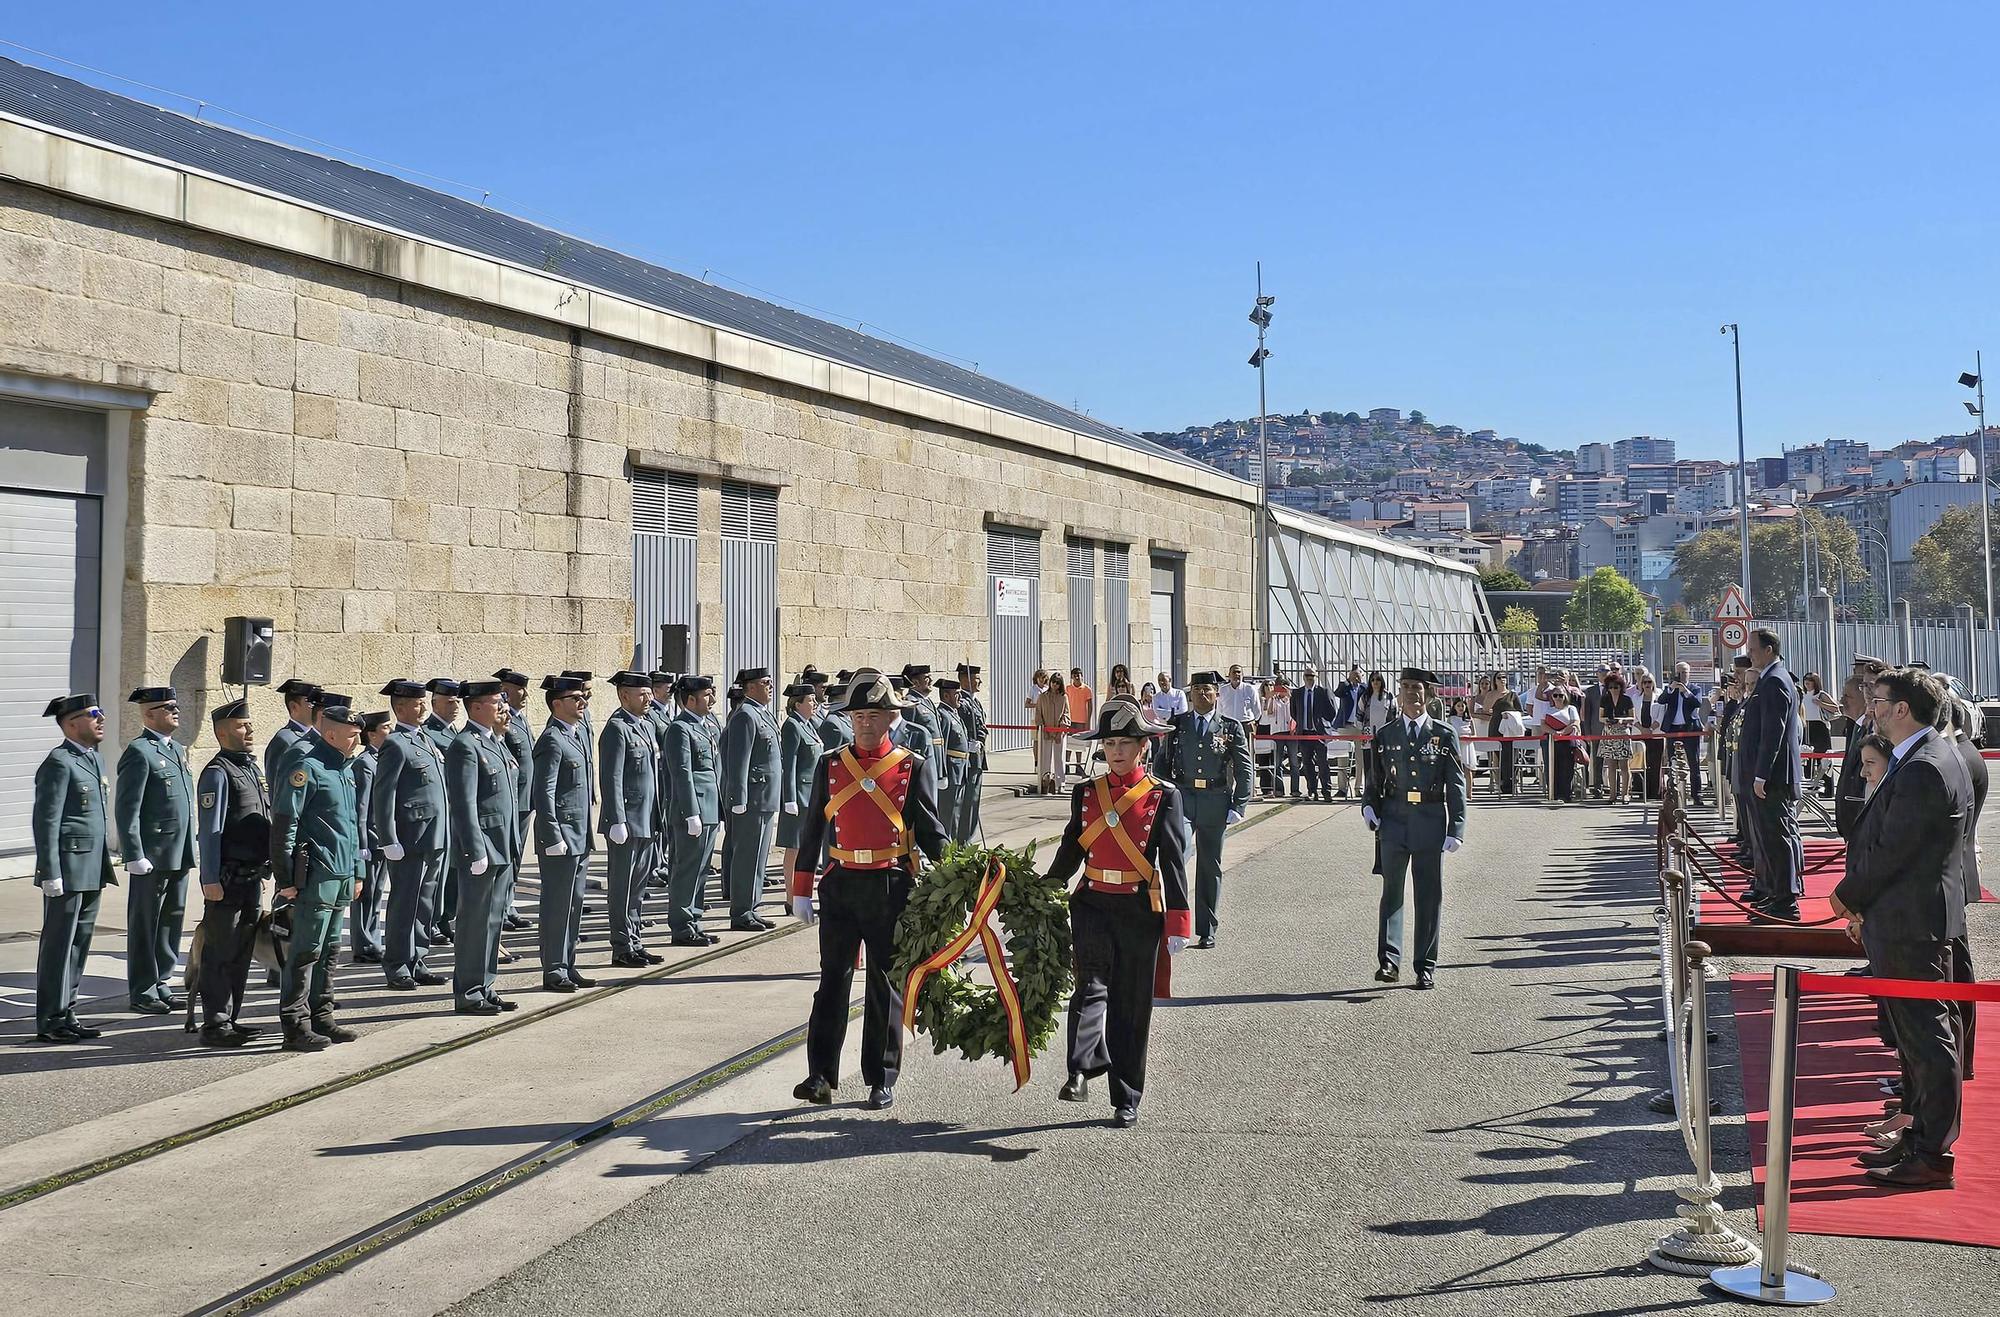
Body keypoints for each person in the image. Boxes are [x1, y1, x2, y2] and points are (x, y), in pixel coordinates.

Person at [1829, 669, 1972, 1189]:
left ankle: (1933, 1153)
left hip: (1911, 921)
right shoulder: (1923, 755)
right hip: (1903, 915)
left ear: (1903, 709)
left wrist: (1849, 895)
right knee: (1913, 1040)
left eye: (1881, 700)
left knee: (1927, 1038)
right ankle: (1918, 1137)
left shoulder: (1925, 765)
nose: (1873, 707)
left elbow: (1896, 850)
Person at [790, 670, 947, 1110]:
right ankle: (820, 1075)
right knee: (832, 982)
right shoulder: (831, 763)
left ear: (891, 717)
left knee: (884, 986)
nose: (865, 723)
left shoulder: (912, 766)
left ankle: (881, 1076)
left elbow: (931, 830)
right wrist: (802, 885)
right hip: (840, 883)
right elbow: (813, 828)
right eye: (858, 715)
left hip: (890, 884)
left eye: (874, 715)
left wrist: (959, 871)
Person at [1045, 702, 1192, 1127]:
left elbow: (1174, 861)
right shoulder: (1087, 792)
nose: (1116, 751)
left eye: (1125, 743)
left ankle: (1126, 1094)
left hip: (1137, 908)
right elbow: (1071, 849)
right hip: (1092, 901)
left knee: (1130, 1004)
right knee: (1090, 985)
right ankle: (1081, 1068)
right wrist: (1043, 888)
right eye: (1109, 743)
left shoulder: (1163, 795)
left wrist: (1178, 920)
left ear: (1142, 747)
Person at [1362, 668, 1468, 990]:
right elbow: (1375, 779)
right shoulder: (1387, 734)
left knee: (1428, 895)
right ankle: (1389, 961)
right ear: (1400, 691)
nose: (1412, 693)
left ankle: (1425, 964)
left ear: (1429, 693)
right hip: (1394, 820)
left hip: (1429, 819)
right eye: (1406, 686)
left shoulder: (1444, 734)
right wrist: (1368, 806)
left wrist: (1456, 827)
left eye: (1418, 687)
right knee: (1391, 893)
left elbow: (1456, 784)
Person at [270, 701, 366, 1052]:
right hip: (316, 875)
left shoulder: (345, 769)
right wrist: (285, 878)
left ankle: (322, 1016)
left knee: (330, 950)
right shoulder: (306, 768)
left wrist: (358, 871)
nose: (357, 739)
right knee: (306, 950)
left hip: (340, 874)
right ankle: (294, 1025)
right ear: (330, 733)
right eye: (352, 734)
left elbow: (352, 828)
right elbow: (285, 825)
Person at [31, 694, 114, 1044]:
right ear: (71, 724)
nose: (101, 719)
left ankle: (68, 1011)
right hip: (66, 868)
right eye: (93, 715)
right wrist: (50, 871)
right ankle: (50, 1018)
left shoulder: (92, 759)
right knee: (59, 945)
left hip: (91, 866)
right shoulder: (59, 762)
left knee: (79, 944)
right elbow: (46, 821)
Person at [115, 685, 199, 1014]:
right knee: (145, 924)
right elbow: (127, 808)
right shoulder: (139, 751)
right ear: (149, 714)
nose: (175, 711)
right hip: (152, 854)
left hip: (178, 852)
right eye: (168, 707)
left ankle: (162, 981)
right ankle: (142, 990)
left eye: (176, 705)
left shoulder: (176, 749)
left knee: (171, 921)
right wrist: (134, 853)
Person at [192, 699, 269, 1046]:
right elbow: (211, 831)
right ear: (223, 732)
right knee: (220, 953)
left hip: (252, 877)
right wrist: (209, 878)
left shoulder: (250, 769)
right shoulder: (217, 773)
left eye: (250, 724)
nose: (250, 730)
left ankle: (231, 1017)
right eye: (242, 725)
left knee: (240, 952)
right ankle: (214, 1023)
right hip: (227, 879)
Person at [1158, 670, 1253, 950]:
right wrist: (1162, 798)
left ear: (1217, 694)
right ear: (1190, 694)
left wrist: (1239, 803)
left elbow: (1244, 768)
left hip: (1215, 799)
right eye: (1197, 689)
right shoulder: (1178, 724)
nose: (1202, 694)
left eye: (1207, 689)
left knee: (1210, 866)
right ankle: (1177, 924)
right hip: (1183, 798)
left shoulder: (1230, 727)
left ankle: (1207, 928)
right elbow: (1163, 764)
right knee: (1177, 855)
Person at [445, 679, 523, 1014]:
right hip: (483, 849)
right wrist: (474, 849)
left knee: (492, 922)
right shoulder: (465, 745)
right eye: (495, 702)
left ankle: (486, 984)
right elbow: (463, 804)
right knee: (474, 923)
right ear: (475, 707)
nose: (502, 708)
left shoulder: (494, 742)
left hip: (502, 846)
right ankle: (468, 991)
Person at [371, 680, 449, 991]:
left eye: (423, 703)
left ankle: (418, 958)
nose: (423, 708)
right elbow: (384, 794)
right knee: (405, 903)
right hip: (409, 837)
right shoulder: (395, 743)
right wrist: (388, 838)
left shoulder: (425, 740)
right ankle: (397, 964)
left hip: (433, 835)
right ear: (400, 707)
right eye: (416, 704)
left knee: (425, 902)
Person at [533, 675, 597, 989]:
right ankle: (554, 968)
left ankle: (568, 962)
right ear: (557, 704)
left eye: (582, 697)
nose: (582, 702)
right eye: (575, 698)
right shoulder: (552, 739)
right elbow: (543, 792)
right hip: (561, 836)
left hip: (579, 835)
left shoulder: (575, 735)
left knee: (574, 902)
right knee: (557, 904)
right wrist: (551, 834)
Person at [1739, 629, 1805, 921]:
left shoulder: (1776, 681)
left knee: (1777, 837)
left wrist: (1761, 774)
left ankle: (1784, 901)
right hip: (1767, 775)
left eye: (1753, 649)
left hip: (1773, 777)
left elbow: (1772, 732)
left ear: (1768, 650)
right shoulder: (1770, 678)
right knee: (1769, 838)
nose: (1750, 655)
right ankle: (1774, 893)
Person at [600, 671, 663, 966]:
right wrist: (616, 819)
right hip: (627, 820)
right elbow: (611, 778)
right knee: (622, 887)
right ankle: (621, 945)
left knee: (638, 887)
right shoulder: (617, 728)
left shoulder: (646, 727)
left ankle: (635, 939)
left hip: (647, 817)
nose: (648, 698)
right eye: (642, 694)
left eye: (649, 693)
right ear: (624, 696)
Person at [721, 667, 782, 931]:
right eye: (765, 682)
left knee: (758, 857)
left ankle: (752, 907)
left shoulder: (761, 714)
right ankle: (741, 912)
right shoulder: (745, 715)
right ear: (751, 686)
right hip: (752, 799)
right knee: (747, 856)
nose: (770, 686)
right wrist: (738, 797)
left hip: (765, 797)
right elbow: (738, 761)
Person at [422, 678, 464, 942]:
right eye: (449, 701)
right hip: (444, 810)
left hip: (458, 810)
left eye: (458, 701)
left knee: (455, 871)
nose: (455, 706)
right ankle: (434, 921)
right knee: (440, 870)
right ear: (434, 703)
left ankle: (447, 916)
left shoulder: (455, 732)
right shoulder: (429, 734)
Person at [348, 711, 391, 964]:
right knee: (366, 894)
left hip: (382, 839)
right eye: (386, 727)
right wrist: (362, 844)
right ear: (372, 734)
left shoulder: (382, 760)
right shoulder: (365, 763)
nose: (391, 731)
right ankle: (363, 943)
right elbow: (361, 808)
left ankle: (372, 939)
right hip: (371, 839)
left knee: (376, 894)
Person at [496, 669, 538, 932]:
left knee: (516, 858)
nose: (523, 695)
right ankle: (502, 908)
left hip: (525, 798)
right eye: (518, 690)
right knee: (507, 856)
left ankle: (508, 905)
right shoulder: (502, 721)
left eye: (524, 690)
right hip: (512, 799)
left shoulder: (520, 719)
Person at [778, 681, 821, 885]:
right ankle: (790, 894)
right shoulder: (792, 726)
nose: (815, 704)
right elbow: (789, 764)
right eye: (810, 700)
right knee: (793, 847)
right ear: (797, 704)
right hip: (799, 795)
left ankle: (801, 888)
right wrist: (790, 798)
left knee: (806, 845)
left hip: (811, 794)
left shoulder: (807, 725)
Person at [1655, 663, 1708, 807]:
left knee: (1693, 762)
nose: (1681, 675)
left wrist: (1685, 691)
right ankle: (1673, 794)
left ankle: (1697, 795)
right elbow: (1661, 700)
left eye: (1684, 672)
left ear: (1689, 673)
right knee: (1673, 763)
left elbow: (1697, 703)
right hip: (1673, 729)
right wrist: (1672, 688)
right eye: (1679, 672)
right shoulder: (1670, 688)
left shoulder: (1694, 688)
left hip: (1690, 729)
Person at [952, 663, 989, 843]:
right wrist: (969, 744)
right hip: (969, 759)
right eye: (976, 678)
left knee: (974, 801)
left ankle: (968, 838)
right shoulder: (963, 703)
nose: (979, 681)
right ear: (966, 680)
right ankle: (963, 841)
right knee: (967, 802)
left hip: (978, 758)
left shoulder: (974, 701)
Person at [1289, 668, 1338, 802]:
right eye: (1307, 675)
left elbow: (1332, 712)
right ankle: (1312, 790)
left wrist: (1321, 720)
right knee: (1307, 763)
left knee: (1323, 763)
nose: (1309, 678)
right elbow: (1294, 712)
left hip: (1319, 733)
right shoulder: (1297, 693)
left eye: (1312, 675)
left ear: (1316, 676)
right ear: (1303, 677)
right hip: (1304, 733)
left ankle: (1326, 791)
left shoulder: (1323, 692)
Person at [934, 678, 974, 839]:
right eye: (956, 694)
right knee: (947, 814)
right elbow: (941, 747)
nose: (960, 697)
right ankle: (946, 847)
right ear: (946, 696)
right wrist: (942, 773)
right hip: (951, 770)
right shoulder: (943, 715)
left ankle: (954, 846)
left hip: (960, 770)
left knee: (956, 813)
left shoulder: (954, 714)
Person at [264, 678, 320, 784]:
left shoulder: (314, 736)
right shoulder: (285, 739)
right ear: (294, 707)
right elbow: (275, 783)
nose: (317, 709)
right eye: (312, 704)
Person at [1597, 673, 1636, 804]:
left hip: (1622, 731)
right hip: (1608, 732)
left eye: (1616, 687)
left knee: (1624, 765)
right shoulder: (1604, 699)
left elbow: (1632, 717)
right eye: (1611, 687)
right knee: (1611, 765)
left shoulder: (1627, 699)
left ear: (1621, 687)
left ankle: (1625, 794)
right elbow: (1600, 717)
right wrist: (1607, 720)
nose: (1614, 689)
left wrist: (1622, 720)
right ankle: (1612, 794)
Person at [1033, 672, 1070, 795]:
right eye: (1053, 682)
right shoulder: (1043, 697)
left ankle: (1061, 784)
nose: (1055, 685)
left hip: (1059, 732)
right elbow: (1038, 713)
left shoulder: (1064, 697)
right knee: (1045, 757)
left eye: (1058, 683)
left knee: (1059, 759)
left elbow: (1066, 714)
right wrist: (1042, 728)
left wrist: (1062, 730)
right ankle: (1044, 782)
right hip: (1046, 731)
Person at [1487, 675, 1525, 796]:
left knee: (1511, 755)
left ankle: (1514, 782)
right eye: (1499, 677)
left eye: (1504, 677)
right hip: (1496, 726)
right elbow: (1486, 709)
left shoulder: (1512, 695)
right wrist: (1495, 696)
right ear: (1495, 680)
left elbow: (1520, 711)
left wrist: (1510, 714)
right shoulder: (1491, 694)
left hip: (1509, 728)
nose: (1502, 679)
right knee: (1497, 755)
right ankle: (1500, 782)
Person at [1543, 687, 1581, 802]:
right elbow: (1542, 725)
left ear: (1565, 696)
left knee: (1566, 768)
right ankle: (1553, 793)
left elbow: (1575, 722)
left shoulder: (1571, 708)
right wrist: (1554, 733)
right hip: (1551, 741)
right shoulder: (1547, 709)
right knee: (1552, 768)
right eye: (1555, 695)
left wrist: (1563, 732)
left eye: (1561, 695)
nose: (1558, 698)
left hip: (1567, 742)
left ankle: (1565, 794)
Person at [1801, 672, 1836, 797]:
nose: (1807, 684)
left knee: (1823, 759)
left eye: (1810, 682)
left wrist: (1821, 704)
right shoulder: (1803, 695)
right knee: (1807, 758)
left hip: (1820, 726)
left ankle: (1827, 790)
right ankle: (1810, 788)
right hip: (1807, 726)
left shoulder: (1821, 694)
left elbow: (1835, 708)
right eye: (1806, 682)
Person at [1264, 677, 1296, 798]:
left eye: (1284, 686)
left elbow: (1297, 711)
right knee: (1278, 762)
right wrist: (1271, 696)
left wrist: (1290, 695)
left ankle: (1295, 789)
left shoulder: (1291, 700)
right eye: (1280, 687)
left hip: (1291, 732)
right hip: (1277, 732)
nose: (1282, 689)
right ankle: (1279, 789)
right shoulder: (1274, 699)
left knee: (1294, 762)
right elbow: (1270, 712)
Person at [1064, 668, 1097, 780]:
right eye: (1075, 675)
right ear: (1072, 677)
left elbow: (1090, 706)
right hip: (1070, 719)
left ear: (1082, 676)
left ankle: (1078, 765)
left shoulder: (1087, 689)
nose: (1077, 677)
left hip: (1081, 720)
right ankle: (1067, 764)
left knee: (1079, 744)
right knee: (1068, 743)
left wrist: (1088, 721)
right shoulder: (1068, 688)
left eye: (1079, 675)